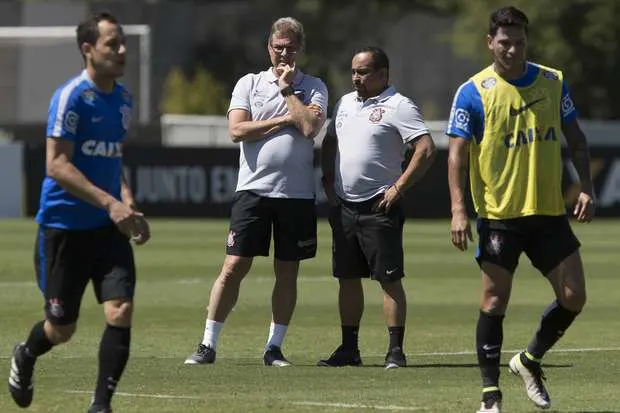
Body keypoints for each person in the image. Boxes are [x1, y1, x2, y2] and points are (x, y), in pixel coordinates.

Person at [446, 6, 594, 413]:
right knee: (494, 300)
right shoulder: (473, 91)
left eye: (519, 42)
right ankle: (490, 396)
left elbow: (576, 139)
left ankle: (528, 361)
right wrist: (459, 209)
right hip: (499, 215)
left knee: (574, 297)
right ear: (490, 43)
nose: (512, 49)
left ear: (527, 42)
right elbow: (456, 156)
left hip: (548, 214)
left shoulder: (552, 81)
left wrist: (586, 187)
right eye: (505, 42)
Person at [7, 11, 150, 413]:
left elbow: (112, 158)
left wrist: (127, 203)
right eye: (112, 44)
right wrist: (111, 203)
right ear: (88, 50)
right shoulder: (71, 97)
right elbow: (57, 164)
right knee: (61, 328)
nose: (122, 50)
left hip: (106, 228)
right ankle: (27, 354)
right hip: (64, 227)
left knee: (120, 310)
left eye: (122, 42)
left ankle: (100, 406)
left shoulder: (123, 99)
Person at [184, 17, 327, 367]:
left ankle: (274, 347)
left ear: (301, 50)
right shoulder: (248, 83)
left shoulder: (314, 86)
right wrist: (282, 120)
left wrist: (286, 91)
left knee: (287, 271)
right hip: (253, 190)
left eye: (291, 48)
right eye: (278, 47)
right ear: (269, 47)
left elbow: (309, 127)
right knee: (233, 266)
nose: (284, 54)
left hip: (296, 195)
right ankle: (207, 344)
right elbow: (237, 130)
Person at [318, 47, 436, 369]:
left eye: (364, 72)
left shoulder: (399, 106)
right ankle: (349, 349)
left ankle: (395, 351)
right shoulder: (344, 103)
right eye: (354, 71)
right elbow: (330, 140)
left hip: (379, 205)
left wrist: (399, 187)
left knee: (388, 279)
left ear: (383, 74)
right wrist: (328, 178)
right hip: (344, 206)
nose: (356, 77)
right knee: (347, 278)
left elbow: (425, 149)